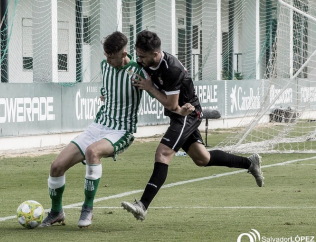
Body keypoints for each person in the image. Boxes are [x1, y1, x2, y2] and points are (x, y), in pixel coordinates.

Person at [39, 31, 192, 229]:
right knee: (56, 167)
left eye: (112, 56)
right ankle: (56, 212)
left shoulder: (138, 71)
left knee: (92, 152)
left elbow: (163, 97)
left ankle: (87, 208)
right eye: (106, 56)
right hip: (98, 126)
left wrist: (180, 109)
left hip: (121, 131)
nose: (108, 60)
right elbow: (107, 88)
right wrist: (104, 95)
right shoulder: (105, 66)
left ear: (124, 53)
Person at [121, 30, 264, 221]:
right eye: (137, 55)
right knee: (202, 159)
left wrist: (150, 87)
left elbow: (172, 105)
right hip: (178, 115)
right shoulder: (145, 60)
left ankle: (142, 206)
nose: (139, 59)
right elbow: (129, 63)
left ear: (155, 54)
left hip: (188, 114)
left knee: (162, 153)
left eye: (142, 56)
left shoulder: (172, 69)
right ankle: (250, 163)